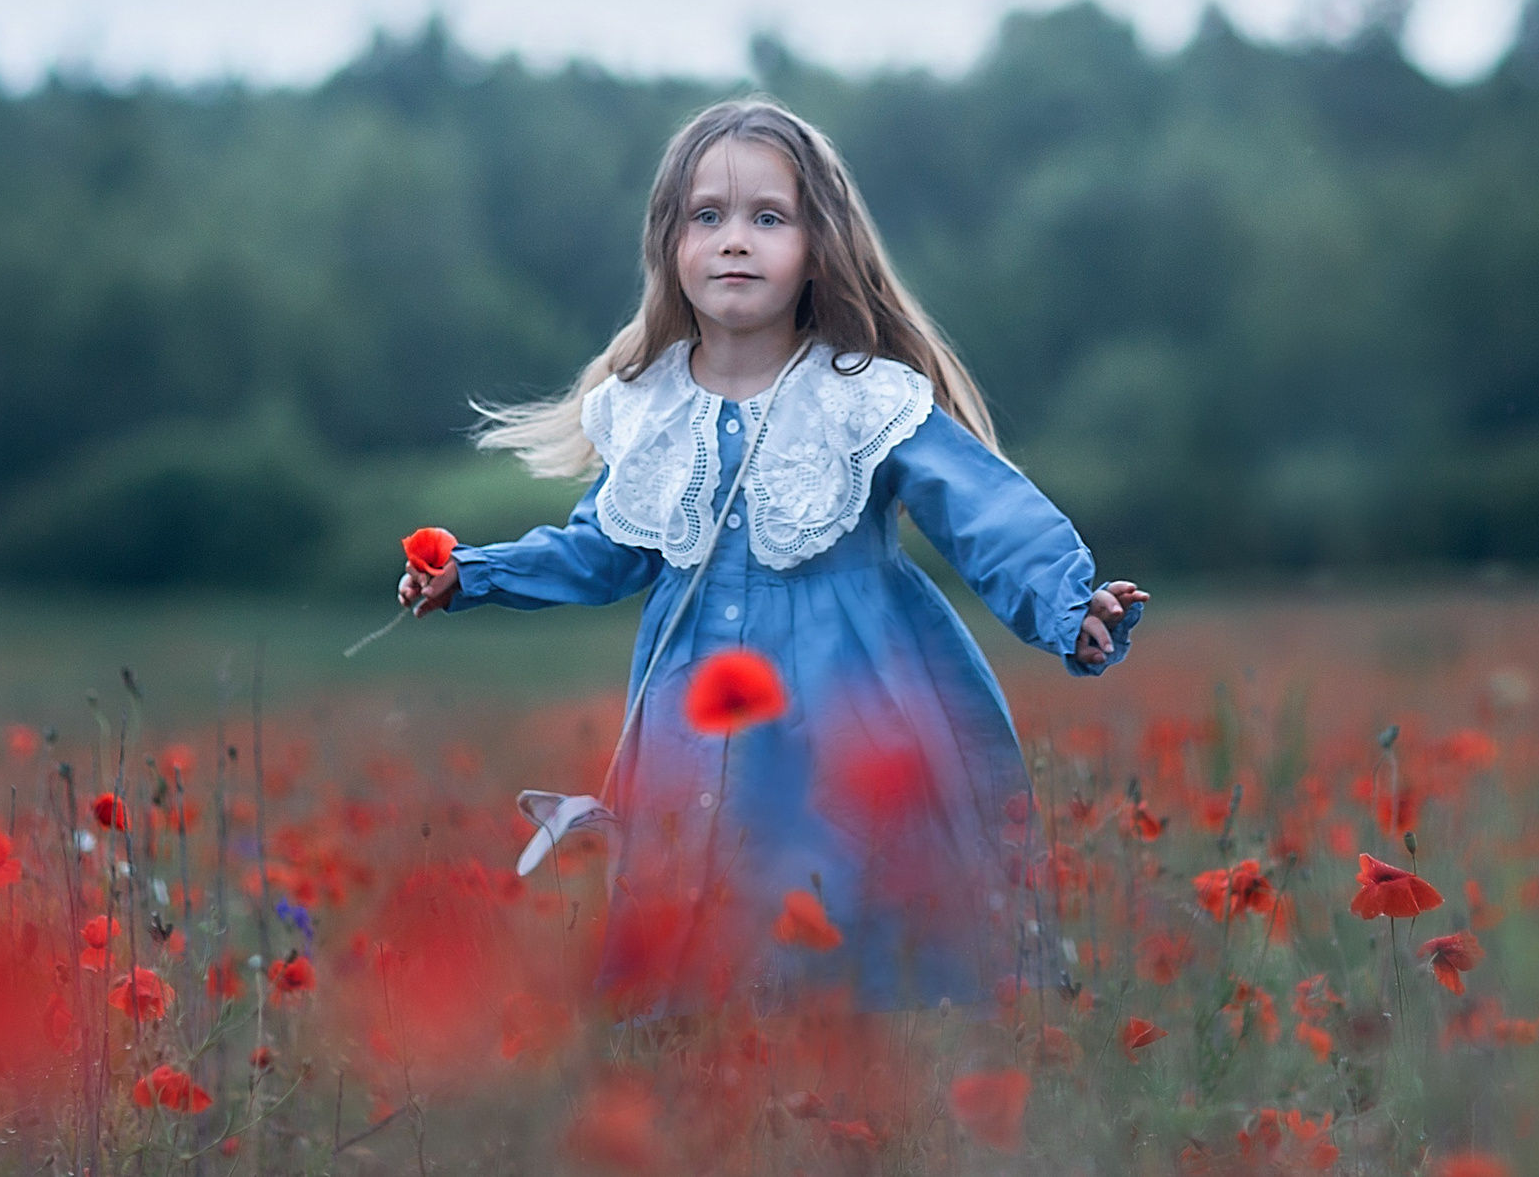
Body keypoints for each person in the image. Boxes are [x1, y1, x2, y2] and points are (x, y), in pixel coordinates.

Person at [396, 99, 1147, 1013]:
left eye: (767, 217)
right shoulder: (648, 406)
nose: (734, 240)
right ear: (670, 245)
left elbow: (984, 510)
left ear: (817, 243)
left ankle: (868, 1109)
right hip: (692, 712)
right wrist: (475, 573)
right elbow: (603, 547)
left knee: (846, 912)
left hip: (853, 702)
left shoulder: (863, 395)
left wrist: (1069, 604)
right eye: (706, 216)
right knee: (702, 924)